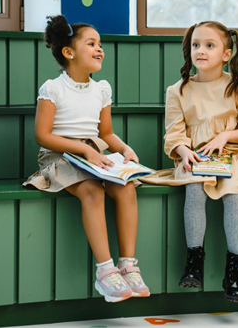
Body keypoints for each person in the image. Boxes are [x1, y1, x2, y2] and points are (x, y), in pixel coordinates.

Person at [23, 15, 149, 303]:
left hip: (95, 155)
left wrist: (125, 150)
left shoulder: (101, 89)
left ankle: (127, 264)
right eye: (91, 43)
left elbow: (106, 132)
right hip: (61, 156)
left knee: (126, 188)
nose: (99, 48)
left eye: (100, 44)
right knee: (92, 192)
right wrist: (83, 150)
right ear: (68, 53)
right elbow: (43, 135)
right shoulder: (54, 88)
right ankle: (105, 272)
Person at [161, 21, 238, 303]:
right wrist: (183, 151)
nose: (201, 51)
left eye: (209, 45)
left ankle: (234, 270)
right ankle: (194, 261)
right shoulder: (178, 90)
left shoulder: (237, 85)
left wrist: (226, 136)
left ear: (226, 54)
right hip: (194, 157)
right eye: (196, 45)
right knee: (194, 190)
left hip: (231, 156)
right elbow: (174, 133)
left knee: (233, 194)